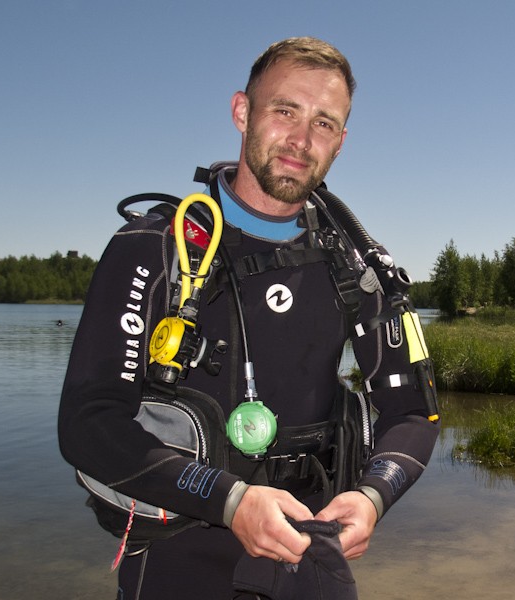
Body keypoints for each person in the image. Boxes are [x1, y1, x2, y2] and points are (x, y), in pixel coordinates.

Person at [59, 36, 439, 600]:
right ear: (243, 112)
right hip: (177, 559)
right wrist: (231, 501)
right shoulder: (155, 248)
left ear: (341, 140)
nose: (302, 140)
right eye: (285, 110)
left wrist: (371, 496)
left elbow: (413, 412)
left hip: (308, 558)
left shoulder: (357, 265)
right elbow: (89, 423)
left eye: (325, 123)